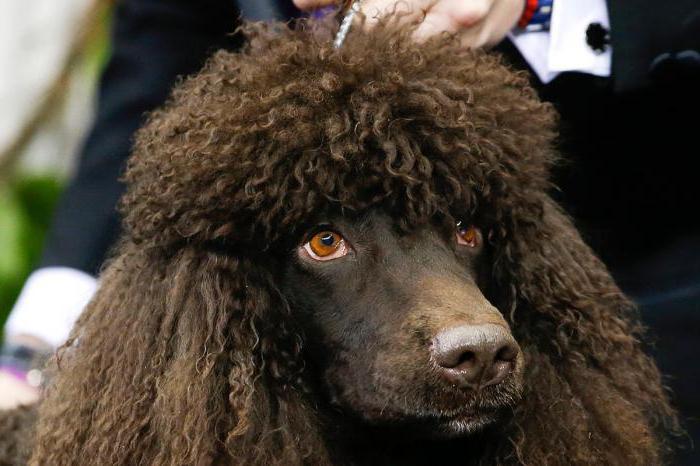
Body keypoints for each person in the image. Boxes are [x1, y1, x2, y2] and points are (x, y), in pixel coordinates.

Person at [2, 0, 698, 462]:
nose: (474, 333)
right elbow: (161, 66)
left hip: (653, 272)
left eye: (462, 229)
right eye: (327, 241)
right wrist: (33, 348)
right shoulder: (213, 287)